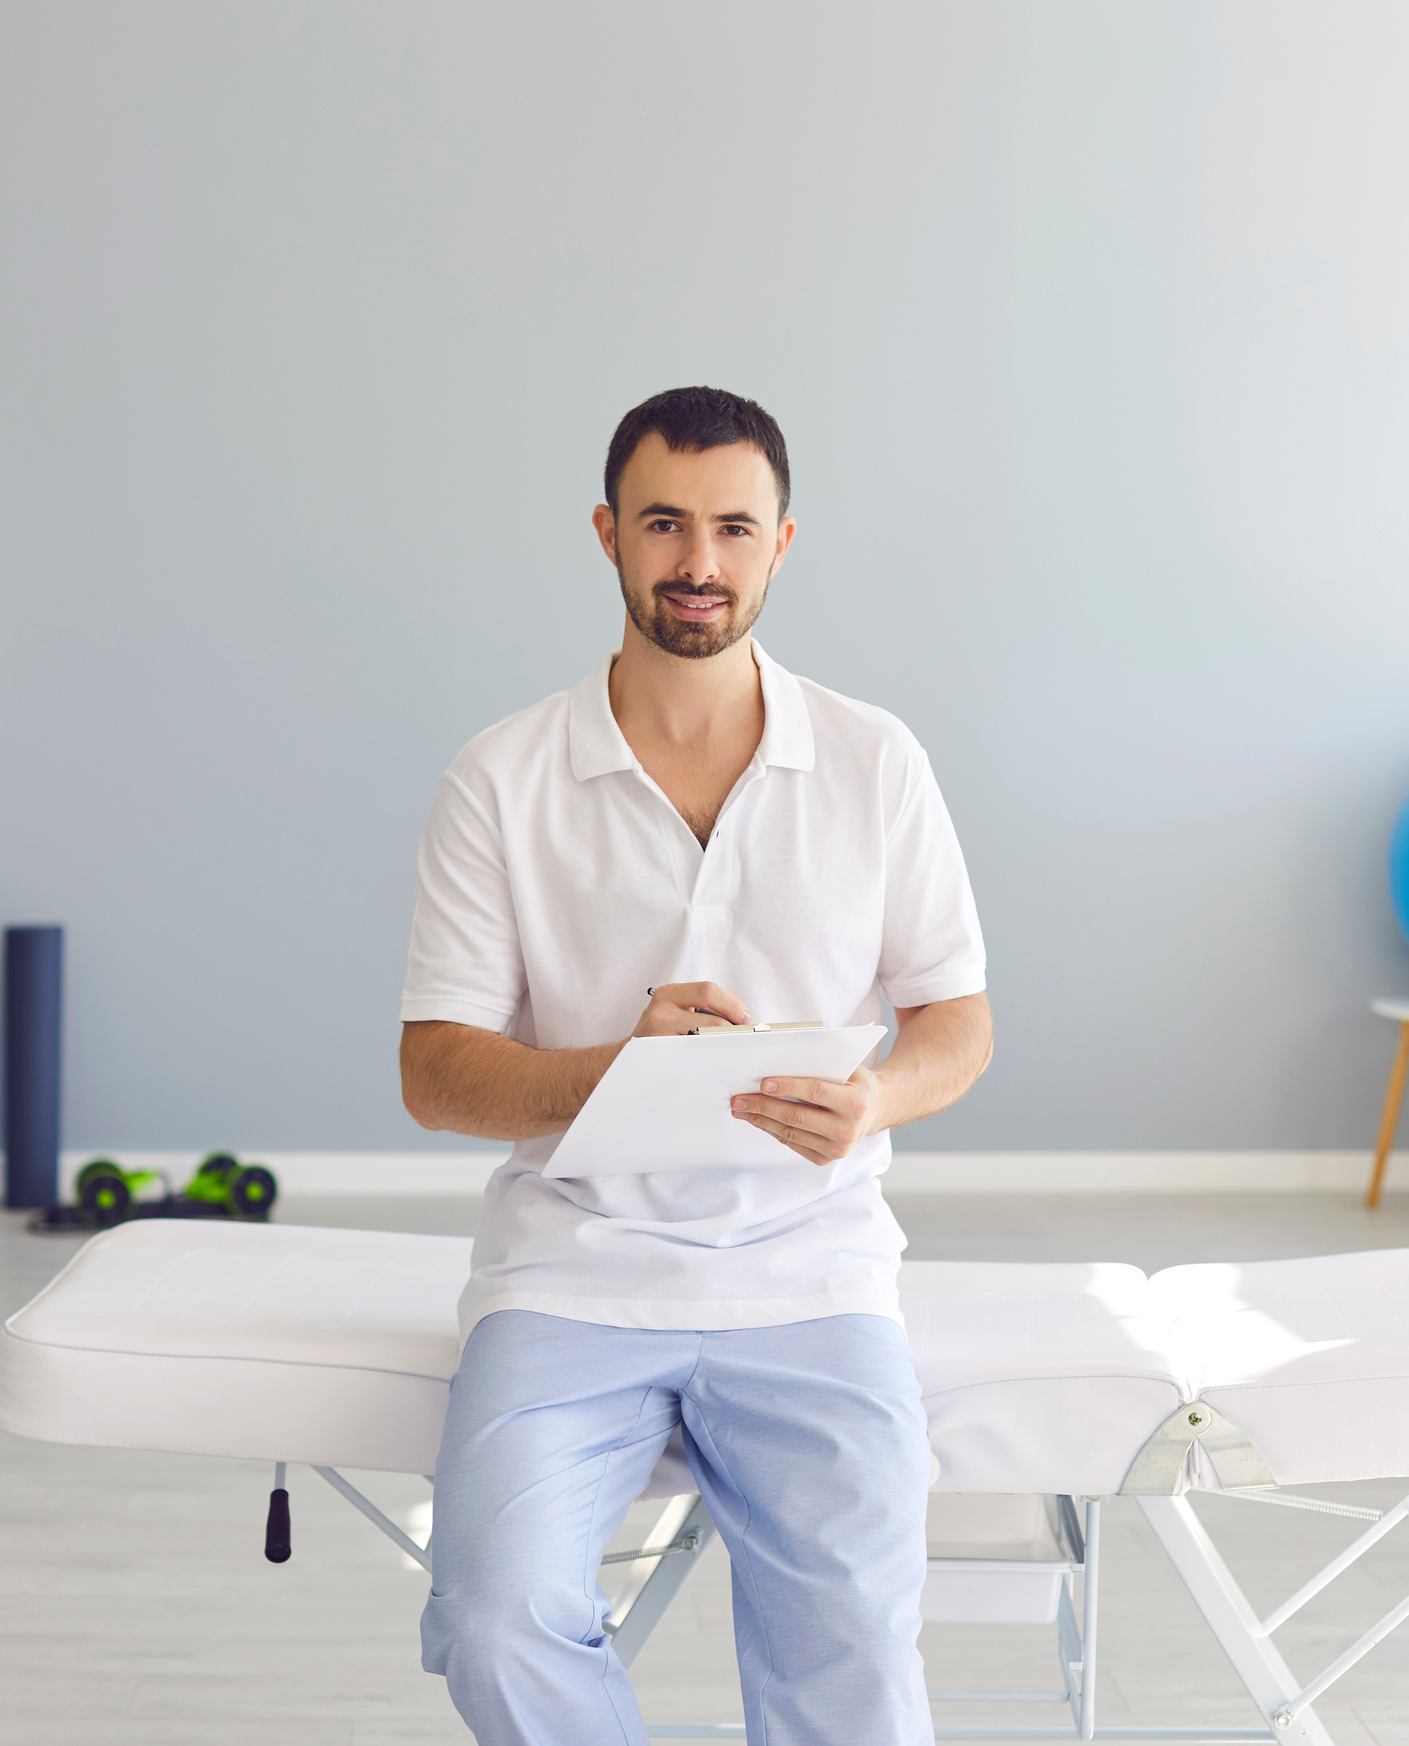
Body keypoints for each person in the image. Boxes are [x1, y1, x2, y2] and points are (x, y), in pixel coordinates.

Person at [398, 385, 993, 1744]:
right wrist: (616, 1066)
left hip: (811, 1268)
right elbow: (435, 1073)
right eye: (665, 523)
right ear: (608, 533)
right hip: (572, 1274)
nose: (698, 563)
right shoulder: (501, 777)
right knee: (496, 1614)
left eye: (734, 527)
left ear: (784, 544)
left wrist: (872, 1102)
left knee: (853, 1644)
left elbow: (958, 1024)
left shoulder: (873, 759)